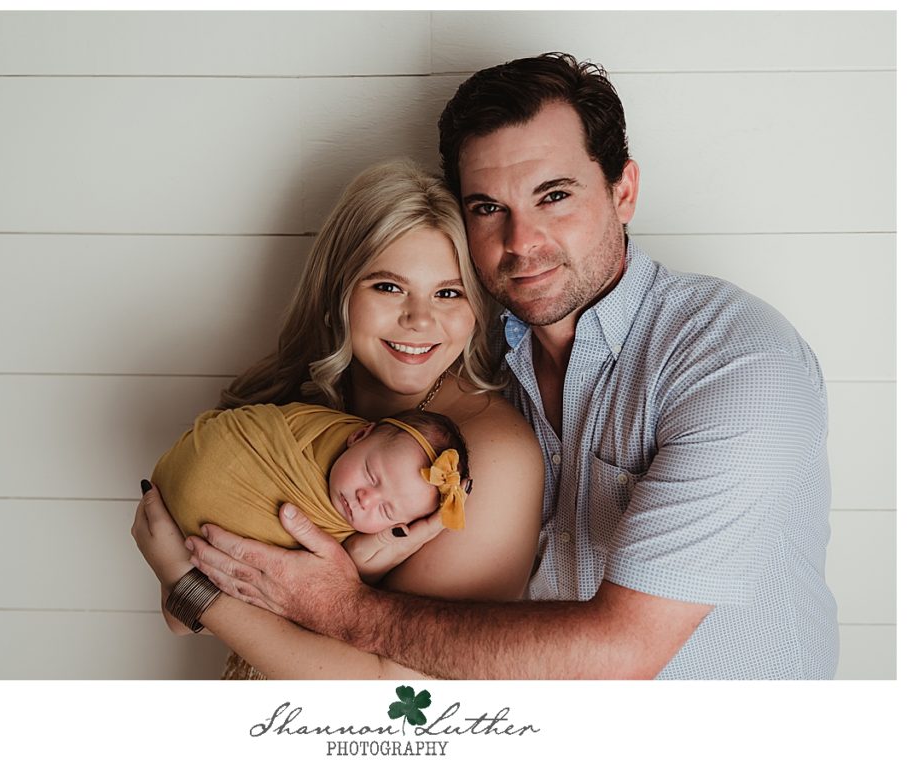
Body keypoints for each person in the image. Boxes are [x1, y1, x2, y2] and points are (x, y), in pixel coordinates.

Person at [177, 53, 839, 679]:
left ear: (624, 191)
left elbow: (620, 654)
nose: (522, 242)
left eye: (554, 196)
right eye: (490, 208)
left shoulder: (735, 364)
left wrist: (339, 607)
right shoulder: (469, 361)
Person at [131, 157, 544, 678]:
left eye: (448, 292)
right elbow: (180, 618)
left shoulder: (489, 458)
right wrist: (191, 589)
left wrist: (194, 588)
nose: (420, 320)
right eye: (388, 287)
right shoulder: (296, 408)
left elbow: (410, 693)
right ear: (339, 290)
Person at [151, 403, 471, 571]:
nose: (365, 498)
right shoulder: (314, 429)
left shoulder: (358, 541)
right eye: (371, 475)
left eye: (386, 510)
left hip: (184, 550)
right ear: (359, 435)